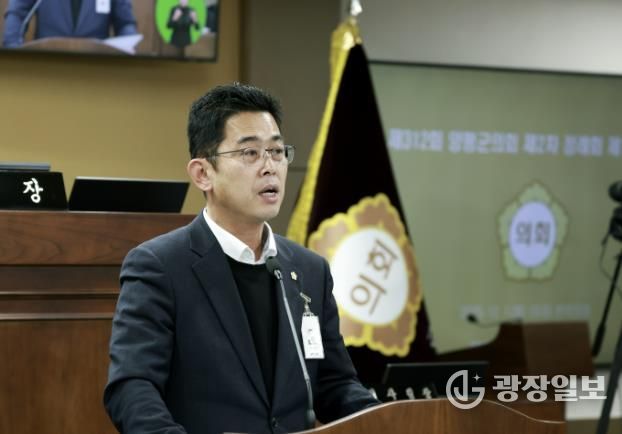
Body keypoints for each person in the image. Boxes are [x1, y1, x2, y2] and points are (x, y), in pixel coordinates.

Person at [103, 83, 379, 434]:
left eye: (277, 151)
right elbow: (132, 387)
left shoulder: (309, 270)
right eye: (250, 153)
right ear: (203, 173)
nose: (270, 167)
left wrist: (391, 419)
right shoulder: (160, 267)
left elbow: (334, 384)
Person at [2, 0, 137, 48]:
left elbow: (125, 24)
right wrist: (13, 50)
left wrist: (128, 55)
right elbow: (17, 13)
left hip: (98, 68)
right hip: (46, 65)